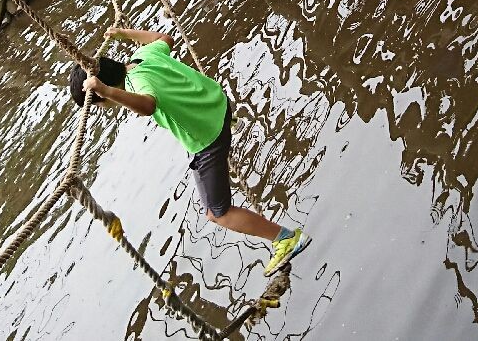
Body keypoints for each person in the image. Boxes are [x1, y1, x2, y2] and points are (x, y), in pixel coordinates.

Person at [71, 26, 311, 276]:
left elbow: (148, 105)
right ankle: (230, 126)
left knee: (218, 214)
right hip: (219, 105)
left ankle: (286, 238)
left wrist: (109, 92)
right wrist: (125, 33)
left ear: (101, 91)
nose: (102, 107)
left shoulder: (136, 82)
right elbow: (165, 38)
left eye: (100, 103)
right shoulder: (144, 57)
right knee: (210, 206)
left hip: (208, 139)